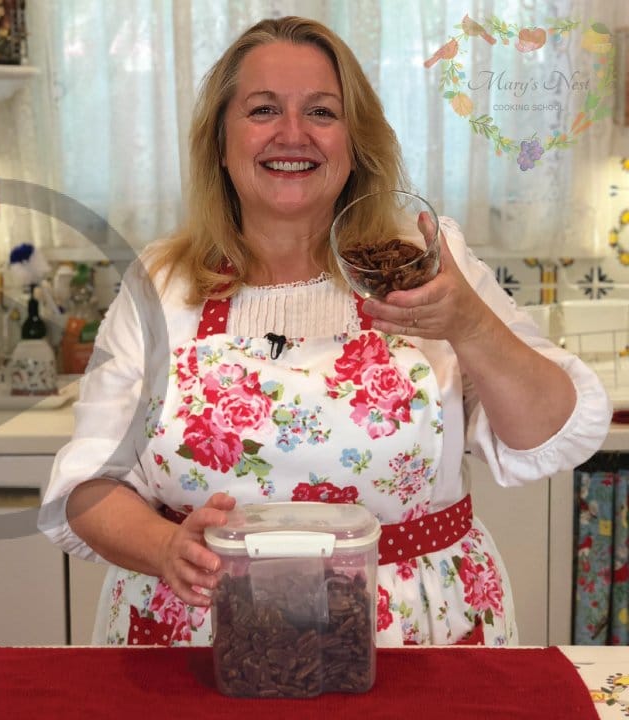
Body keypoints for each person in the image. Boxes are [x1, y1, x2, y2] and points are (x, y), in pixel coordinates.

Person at [39, 16, 611, 647]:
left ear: (354, 139)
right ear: (219, 142)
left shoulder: (426, 260)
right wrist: (166, 546)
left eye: (322, 111)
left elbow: (549, 432)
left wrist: (472, 325)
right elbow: (90, 486)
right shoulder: (161, 283)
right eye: (262, 110)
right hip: (197, 636)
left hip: (412, 639)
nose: (293, 134)